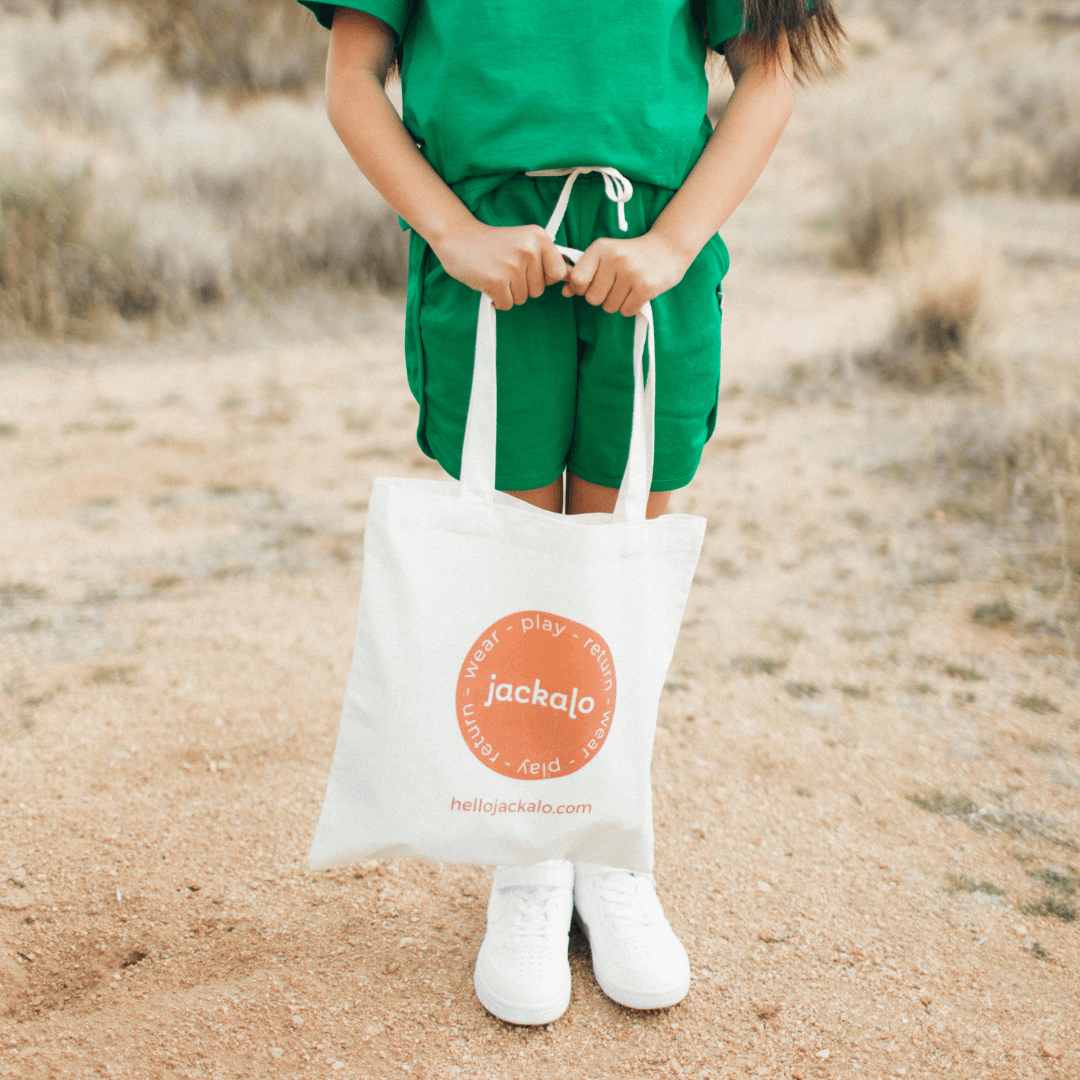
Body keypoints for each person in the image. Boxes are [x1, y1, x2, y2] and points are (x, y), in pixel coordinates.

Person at [297, 0, 844, 1026]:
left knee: (616, 557)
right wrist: (452, 232)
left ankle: (609, 851)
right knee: (518, 567)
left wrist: (677, 244)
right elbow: (351, 81)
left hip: (647, 260)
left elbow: (768, 78)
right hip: (490, 259)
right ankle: (529, 862)